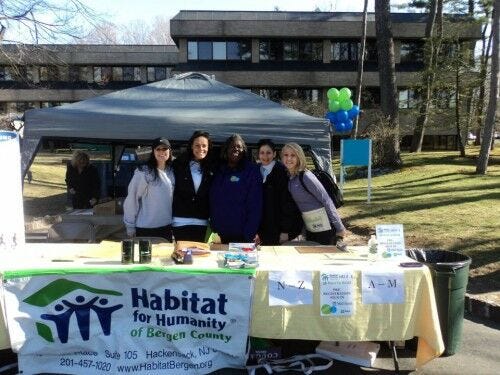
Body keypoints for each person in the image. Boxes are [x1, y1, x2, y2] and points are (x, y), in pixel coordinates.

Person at [281, 142, 345, 245]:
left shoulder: (306, 176)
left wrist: (340, 227)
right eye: (286, 155)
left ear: (299, 157)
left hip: (326, 229)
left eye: (293, 155)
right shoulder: (290, 178)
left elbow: (326, 200)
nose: (289, 158)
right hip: (311, 229)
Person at [209, 134, 262, 244]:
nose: (236, 149)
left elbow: (255, 204)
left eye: (239, 147)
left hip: (242, 235)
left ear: (244, 150)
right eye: (232, 146)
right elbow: (213, 199)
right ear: (226, 149)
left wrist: (249, 233)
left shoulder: (251, 171)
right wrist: (214, 229)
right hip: (219, 234)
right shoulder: (218, 170)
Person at [123, 137, 174, 241]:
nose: (161, 152)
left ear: (169, 151)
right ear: (153, 152)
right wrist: (130, 225)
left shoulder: (172, 172)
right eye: (158, 149)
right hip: (146, 228)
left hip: (166, 227)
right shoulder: (144, 172)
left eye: (164, 149)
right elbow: (132, 199)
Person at [255, 139, 302, 246]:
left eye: (268, 153)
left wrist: (285, 231)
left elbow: (287, 204)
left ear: (274, 154)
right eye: (262, 153)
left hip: (278, 229)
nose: (265, 156)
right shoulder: (255, 171)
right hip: (261, 229)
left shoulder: (282, 172)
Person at [172, 130, 215, 242]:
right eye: (197, 145)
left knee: (198, 257)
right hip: (180, 220)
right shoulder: (179, 164)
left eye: (204, 146)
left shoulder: (212, 167)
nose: (201, 149)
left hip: (201, 220)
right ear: (191, 146)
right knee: (181, 255)